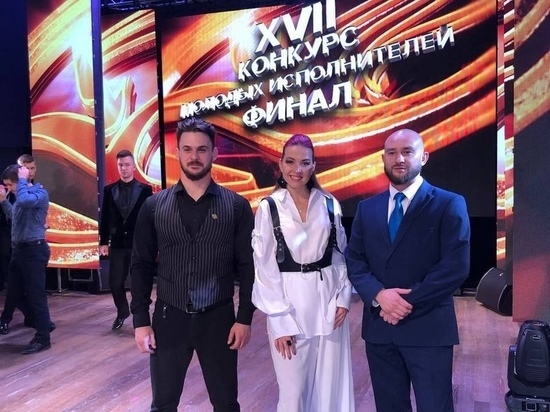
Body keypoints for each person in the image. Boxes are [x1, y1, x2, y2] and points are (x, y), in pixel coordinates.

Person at [130, 117, 255, 412]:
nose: (194, 156)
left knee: (226, 404)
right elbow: (141, 265)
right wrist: (140, 321)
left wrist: (245, 317)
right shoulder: (153, 207)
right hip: (168, 318)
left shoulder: (237, 206)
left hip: (219, 319)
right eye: (187, 149)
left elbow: (248, 267)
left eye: (201, 149)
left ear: (214, 154)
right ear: (177, 153)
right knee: (163, 404)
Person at [345, 129, 471, 412]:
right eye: (391, 153)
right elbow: (354, 260)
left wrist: (403, 303)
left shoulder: (449, 203)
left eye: (407, 152)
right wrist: (379, 295)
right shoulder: (367, 208)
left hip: (428, 328)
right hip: (380, 331)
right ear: (383, 159)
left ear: (423, 157)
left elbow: (455, 266)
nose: (398, 158)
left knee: (435, 407)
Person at [251, 134, 355, 412]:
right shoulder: (269, 207)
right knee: (293, 395)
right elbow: (264, 268)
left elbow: (340, 255)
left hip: (330, 306)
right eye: (290, 162)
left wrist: (344, 297)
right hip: (290, 309)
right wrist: (280, 320)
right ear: (280, 164)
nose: (296, 169)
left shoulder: (330, 204)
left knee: (331, 389)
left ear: (313, 166)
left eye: (304, 163)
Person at [0, 164, 54, 354]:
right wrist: (3, 201)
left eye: (10, 185)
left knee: (36, 295)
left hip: (34, 250)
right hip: (19, 251)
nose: (9, 189)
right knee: (14, 293)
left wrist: (22, 179)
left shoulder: (39, 193)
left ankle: (43, 338)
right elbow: (15, 216)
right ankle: (43, 322)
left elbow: (23, 201)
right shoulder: (21, 196)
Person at [99, 149, 153, 330]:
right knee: (115, 283)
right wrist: (103, 242)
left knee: (139, 283)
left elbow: (150, 218)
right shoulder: (109, 190)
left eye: (127, 164)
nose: (123, 168)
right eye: (120, 165)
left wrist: (152, 242)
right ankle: (122, 311)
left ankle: (140, 318)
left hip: (138, 244)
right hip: (118, 244)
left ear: (133, 166)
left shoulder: (145, 190)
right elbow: (105, 217)